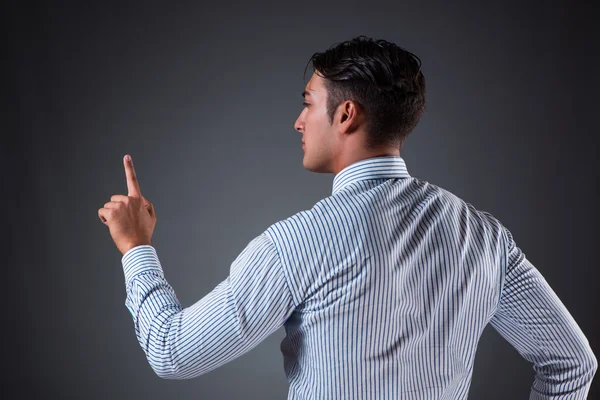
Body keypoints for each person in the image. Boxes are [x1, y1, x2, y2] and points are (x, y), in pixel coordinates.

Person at [98, 35, 597, 399]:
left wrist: (136, 247)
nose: (298, 120)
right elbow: (572, 364)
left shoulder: (298, 244)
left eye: (308, 103)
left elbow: (172, 352)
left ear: (346, 115)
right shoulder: (484, 237)